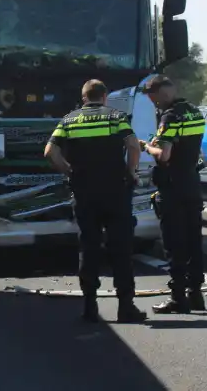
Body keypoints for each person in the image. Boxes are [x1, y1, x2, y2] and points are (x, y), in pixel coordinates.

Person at [45, 79, 147, 324]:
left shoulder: (69, 120)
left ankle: (90, 307)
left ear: (83, 98)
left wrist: (69, 172)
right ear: (104, 96)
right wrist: (131, 172)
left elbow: (49, 152)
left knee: (88, 248)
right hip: (115, 191)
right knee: (120, 249)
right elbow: (133, 145)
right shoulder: (115, 116)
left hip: (84, 192)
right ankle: (125, 307)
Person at [138, 75, 207, 314]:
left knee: (174, 244)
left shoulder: (170, 116)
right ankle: (196, 294)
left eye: (153, 99)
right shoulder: (194, 112)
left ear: (160, 93)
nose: (154, 104)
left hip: (173, 187)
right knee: (193, 241)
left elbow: (164, 154)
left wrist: (146, 146)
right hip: (192, 184)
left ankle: (178, 298)